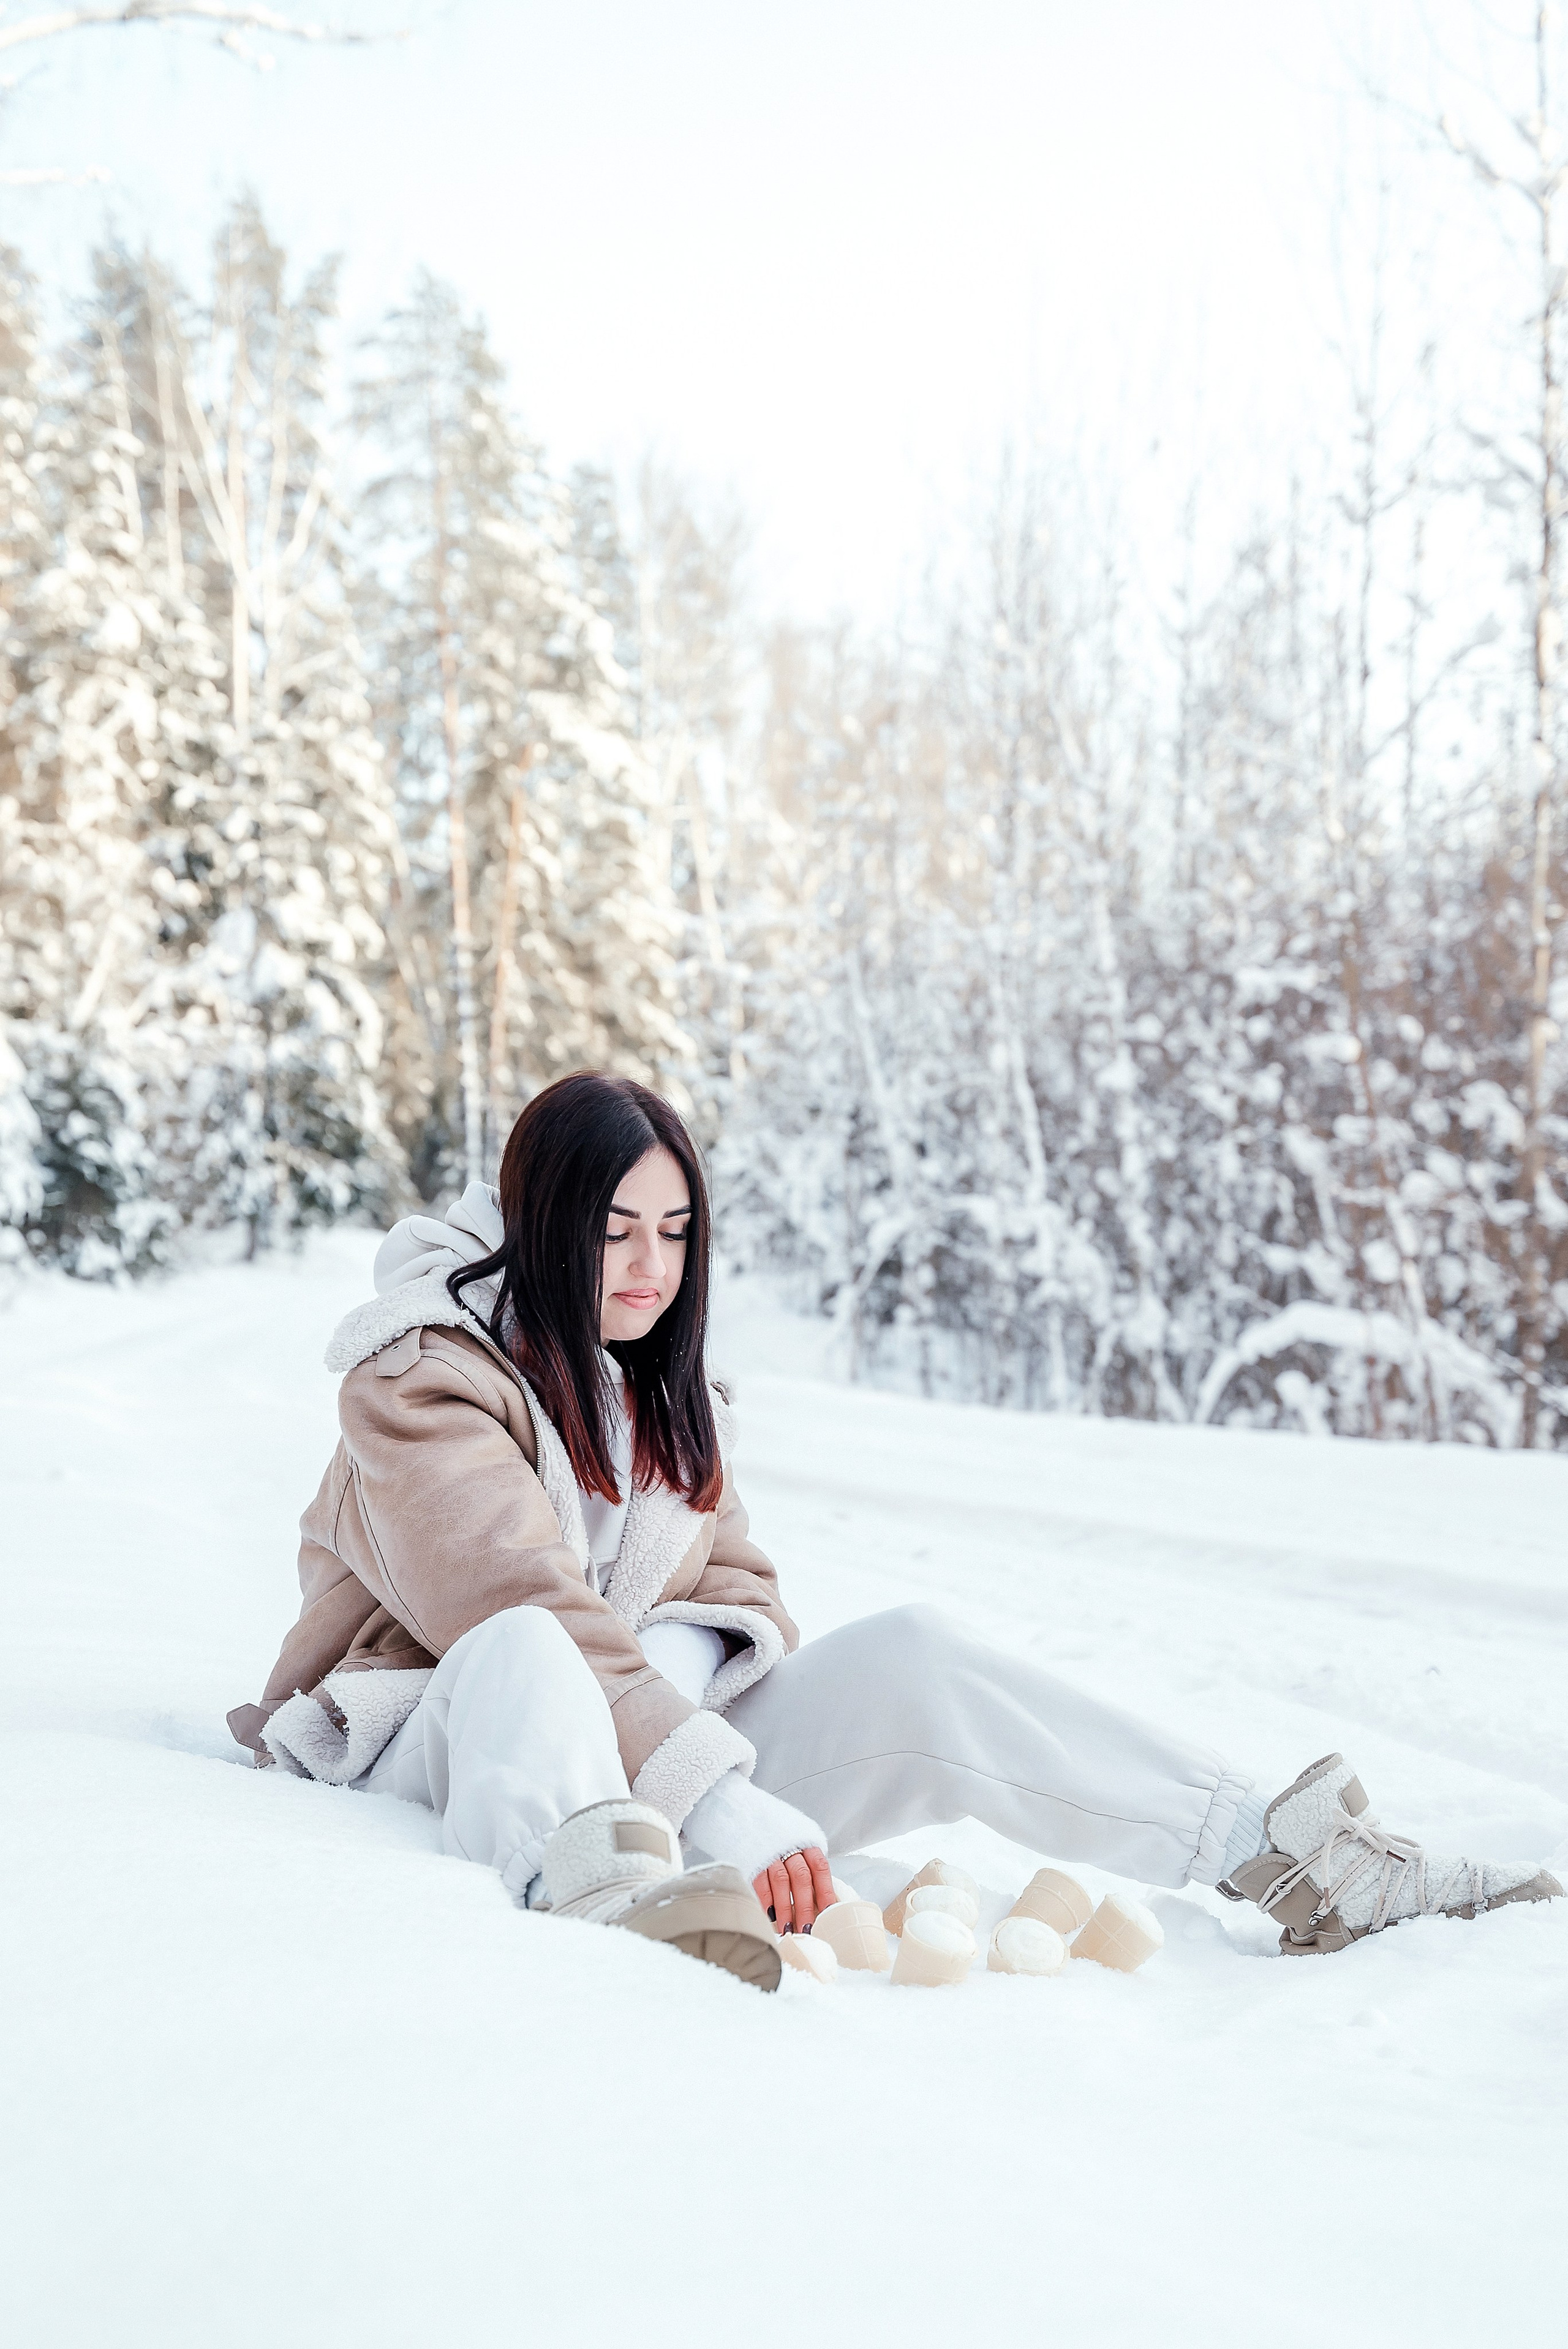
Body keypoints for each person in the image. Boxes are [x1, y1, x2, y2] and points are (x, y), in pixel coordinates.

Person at [229, 1072, 1561, 1993]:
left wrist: (697, 1765)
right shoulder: (416, 1379)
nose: (646, 1264)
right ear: (539, 1221)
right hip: (447, 1749)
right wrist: (720, 1794)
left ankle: (1280, 1856)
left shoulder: (658, 1395)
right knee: (528, 1645)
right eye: (612, 1226)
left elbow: (740, 1595)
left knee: (917, 1652)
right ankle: (615, 1914)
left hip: (652, 1765)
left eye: (675, 1230)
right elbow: (508, 1596)